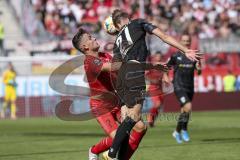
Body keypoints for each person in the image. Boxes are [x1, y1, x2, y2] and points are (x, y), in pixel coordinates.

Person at [107, 9, 201, 159]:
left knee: (128, 122)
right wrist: (185, 50)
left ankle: (118, 157)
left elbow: (115, 66)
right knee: (134, 115)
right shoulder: (137, 23)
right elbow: (163, 36)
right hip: (134, 72)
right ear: (126, 18)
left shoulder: (117, 40)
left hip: (122, 78)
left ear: (117, 25)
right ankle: (111, 153)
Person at [72, 28, 150, 160]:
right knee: (119, 137)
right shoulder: (89, 62)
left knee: (140, 127)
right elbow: (112, 67)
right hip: (101, 106)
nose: (94, 38)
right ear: (85, 47)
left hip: (117, 101)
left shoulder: (105, 56)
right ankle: (94, 150)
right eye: (90, 38)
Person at [167, 34, 202, 144]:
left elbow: (199, 71)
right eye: (184, 41)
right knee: (188, 106)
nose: (186, 43)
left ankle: (182, 130)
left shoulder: (194, 56)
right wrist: (165, 77)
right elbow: (166, 67)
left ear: (190, 42)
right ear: (180, 41)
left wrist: (199, 68)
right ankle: (179, 131)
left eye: (188, 41)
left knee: (185, 111)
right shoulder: (176, 56)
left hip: (189, 86)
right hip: (178, 86)